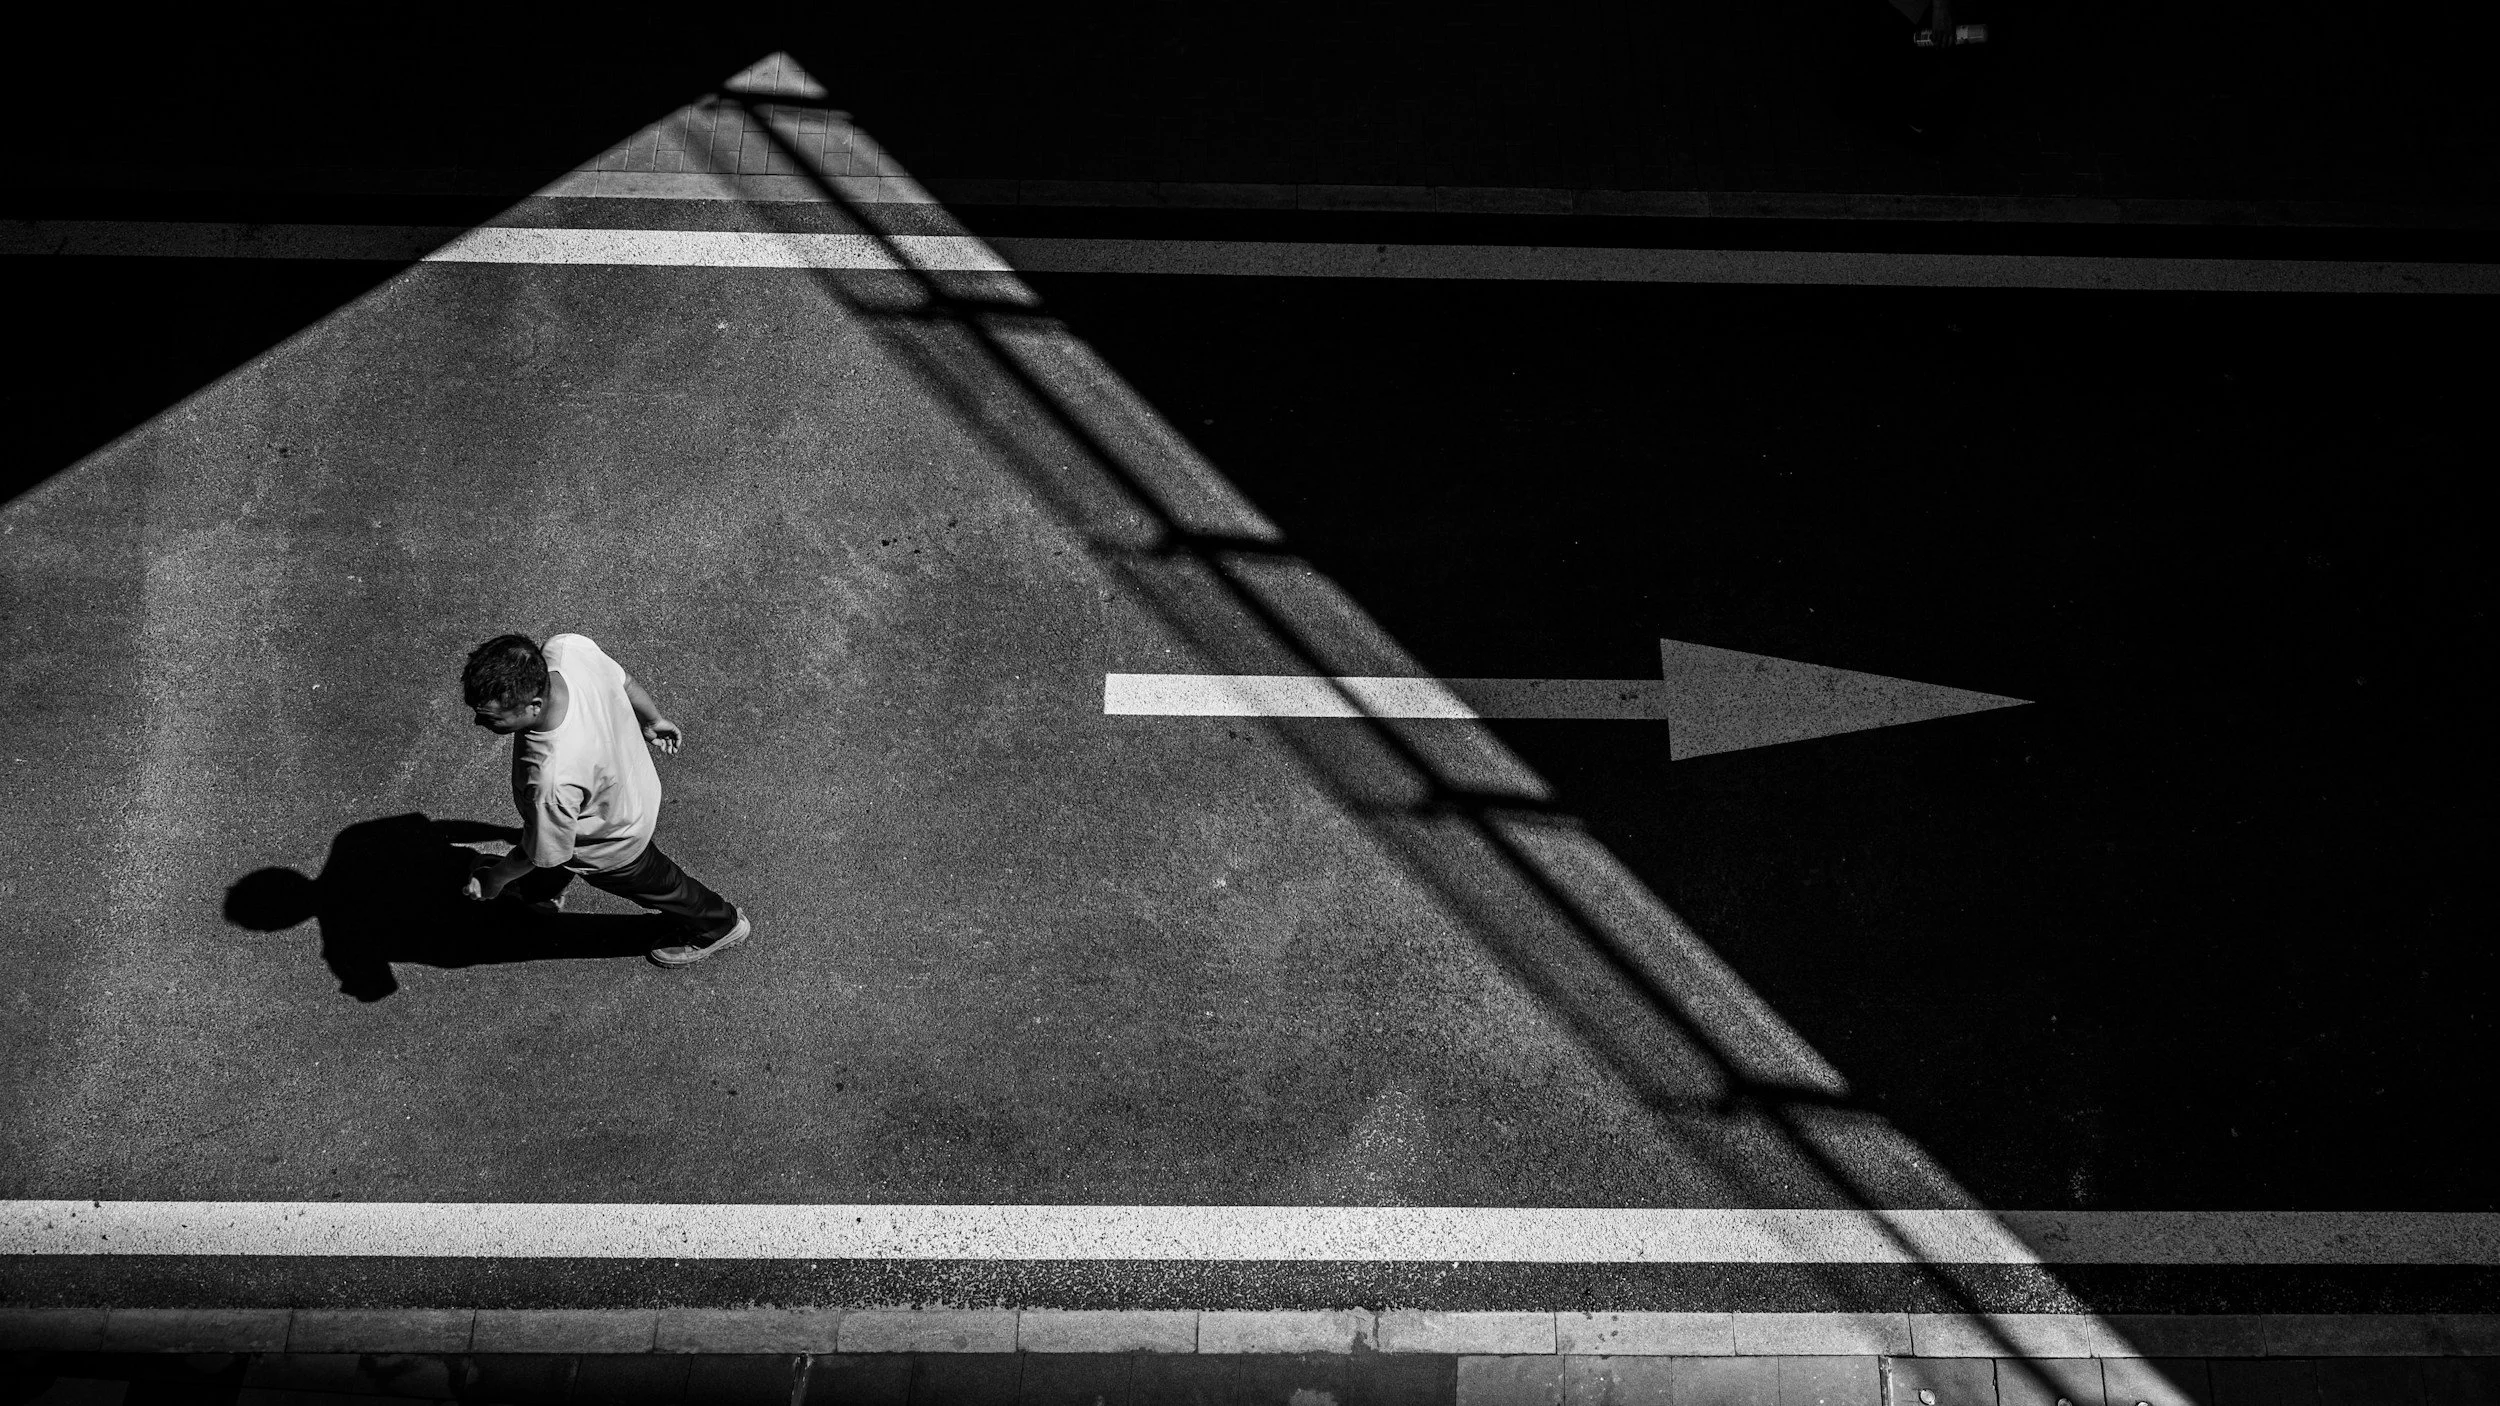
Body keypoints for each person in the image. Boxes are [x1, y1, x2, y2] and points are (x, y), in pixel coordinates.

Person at [460, 632, 751, 967]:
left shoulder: (551, 778)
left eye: (491, 717)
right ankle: (538, 896)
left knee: (663, 886)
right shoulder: (566, 650)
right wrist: (654, 720)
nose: (479, 722)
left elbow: (543, 851)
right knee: (550, 840)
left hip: (614, 839)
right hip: (630, 787)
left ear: (534, 706)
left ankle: (721, 925)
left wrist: (493, 879)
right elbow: (624, 681)